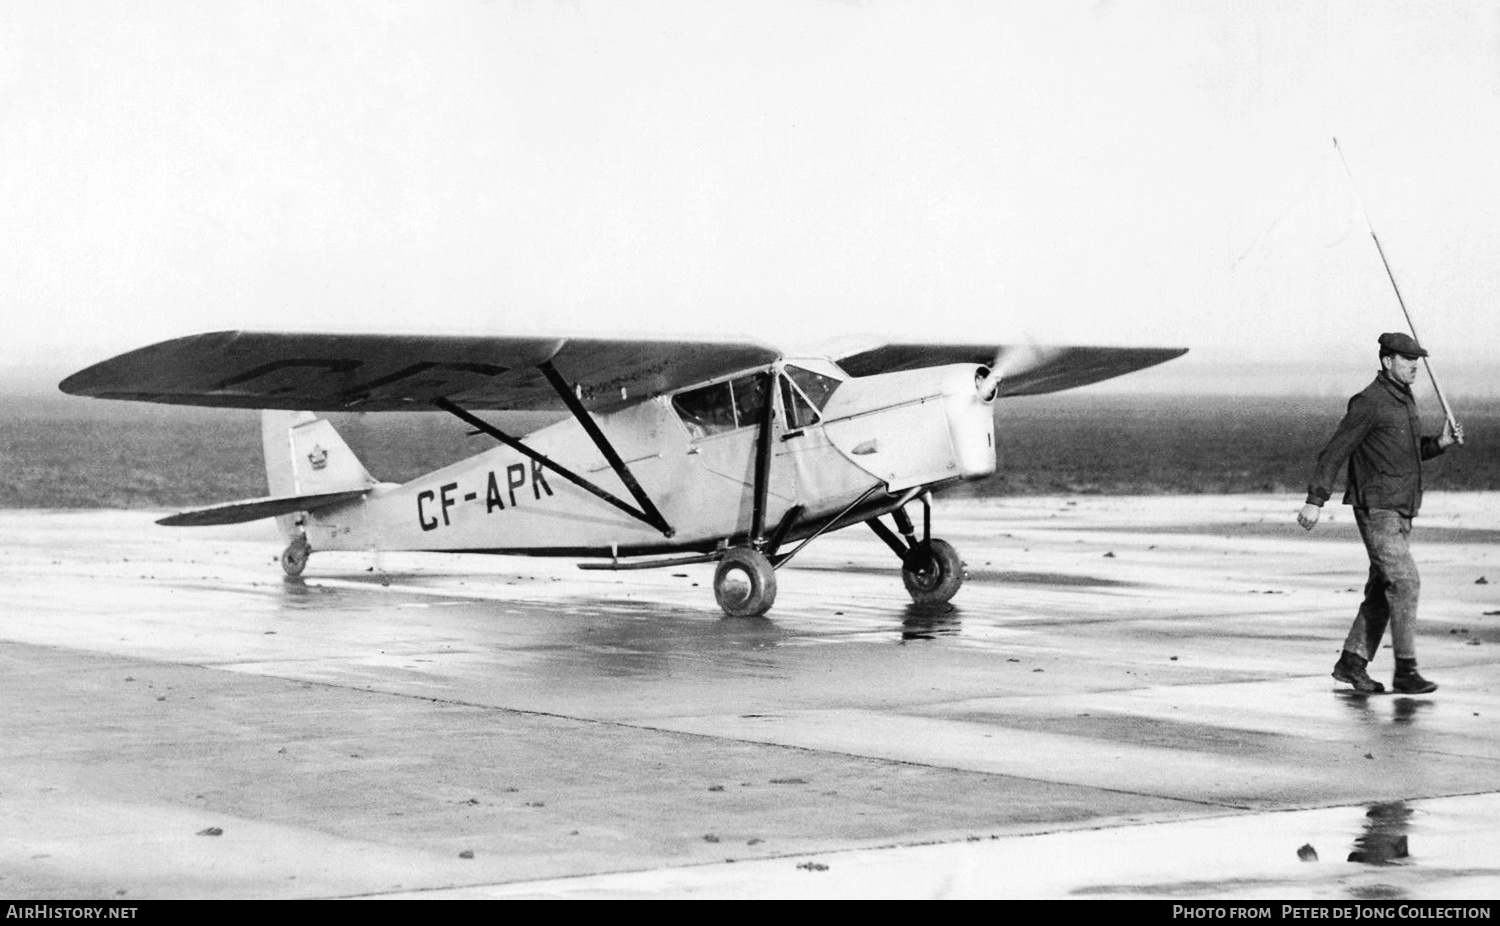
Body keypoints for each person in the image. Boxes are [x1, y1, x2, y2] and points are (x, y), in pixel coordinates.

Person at [1297, 332, 1464, 695]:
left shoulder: (1404, 401)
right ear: (1387, 361)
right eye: (1407, 360)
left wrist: (1440, 444)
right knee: (1405, 583)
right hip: (1378, 509)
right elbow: (1334, 452)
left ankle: (1351, 664)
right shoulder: (1369, 402)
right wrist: (1315, 499)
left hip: (1403, 509)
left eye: (1417, 361)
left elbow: (1405, 453)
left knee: (1382, 590)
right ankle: (1405, 671)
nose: (1415, 367)